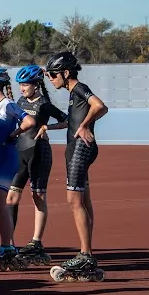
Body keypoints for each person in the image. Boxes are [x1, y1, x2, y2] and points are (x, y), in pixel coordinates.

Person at [45, 51, 109, 278]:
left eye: (53, 75)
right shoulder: (73, 94)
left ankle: (85, 255)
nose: (51, 80)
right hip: (76, 149)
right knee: (84, 200)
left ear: (65, 72)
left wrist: (84, 126)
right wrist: (49, 128)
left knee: (73, 200)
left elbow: (100, 106)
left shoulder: (79, 88)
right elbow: (70, 122)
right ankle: (87, 253)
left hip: (81, 149)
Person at [0, 68, 36, 271]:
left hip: (5, 160)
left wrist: (14, 134)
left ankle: (7, 246)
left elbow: (29, 121)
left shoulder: (8, 105)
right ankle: (5, 244)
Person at [9, 65, 68, 264]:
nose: (22, 88)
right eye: (20, 85)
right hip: (20, 152)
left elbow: (66, 120)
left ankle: (36, 242)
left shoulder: (44, 104)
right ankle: (8, 242)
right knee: (11, 198)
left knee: (37, 197)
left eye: (25, 84)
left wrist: (47, 127)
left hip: (39, 153)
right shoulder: (19, 101)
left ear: (36, 85)